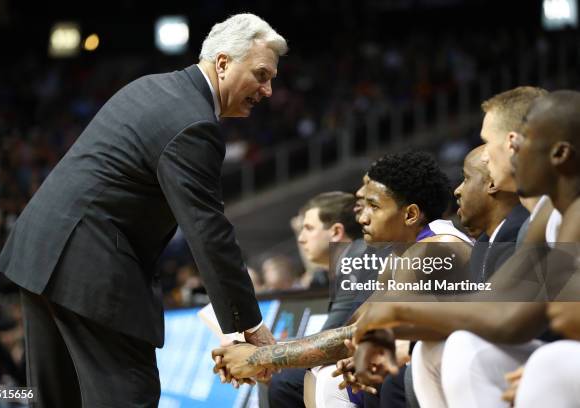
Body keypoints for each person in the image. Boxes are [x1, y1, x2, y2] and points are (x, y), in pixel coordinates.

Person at [0, 13, 287, 408]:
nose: (268, 90)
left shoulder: (152, 87)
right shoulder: (194, 124)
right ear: (222, 63)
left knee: (57, 399)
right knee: (127, 397)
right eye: (261, 75)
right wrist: (250, 326)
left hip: (41, 255)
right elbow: (209, 233)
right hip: (90, 269)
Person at [350, 90, 580, 408]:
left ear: (560, 155)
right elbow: (497, 306)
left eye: (521, 141)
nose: (498, 153)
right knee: (445, 348)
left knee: (549, 364)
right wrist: (385, 327)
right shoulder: (546, 216)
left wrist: (396, 311)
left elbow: (546, 318)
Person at [212, 151, 473, 407]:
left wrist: (260, 357)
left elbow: (351, 337)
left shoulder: (440, 248)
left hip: (466, 377)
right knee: (322, 376)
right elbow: (350, 333)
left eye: (373, 206)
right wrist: (257, 353)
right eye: (362, 205)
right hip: (428, 370)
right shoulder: (398, 258)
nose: (361, 217)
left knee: (332, 377)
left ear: (410, 215)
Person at [268, 191, 362, 408]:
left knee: (286, 382)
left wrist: (258, 356)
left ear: (336, 231)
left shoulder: (357, 265)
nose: (301, 238)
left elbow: (327, 345)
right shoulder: (343, 267)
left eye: (308, 229)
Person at [454, 145, 528, 282]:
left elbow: (498, 302)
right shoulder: (482, 244)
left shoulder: (521, 233)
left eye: (466, 178)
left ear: (493, 183)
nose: (457, 191)